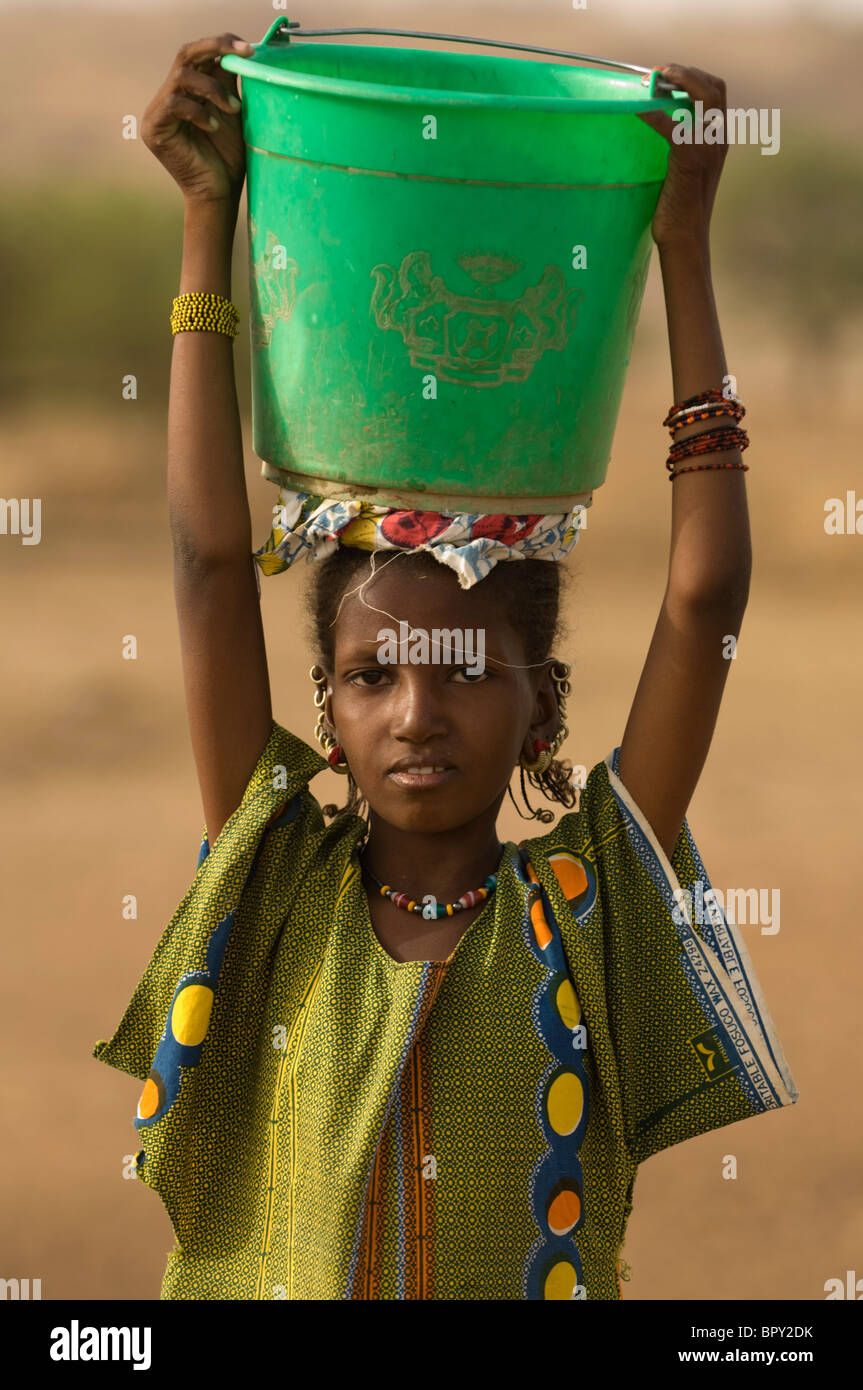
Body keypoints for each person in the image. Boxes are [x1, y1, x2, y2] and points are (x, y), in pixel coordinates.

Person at [93, 32, 797, 1301]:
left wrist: (677, 245)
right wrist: (213, 221)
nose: (417, 710)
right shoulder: (278, 890)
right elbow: (208, 567)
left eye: (467, 671)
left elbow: (704, 599)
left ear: (542, 707)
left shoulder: (586, 909)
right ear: (325, 705)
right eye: (373, 675)